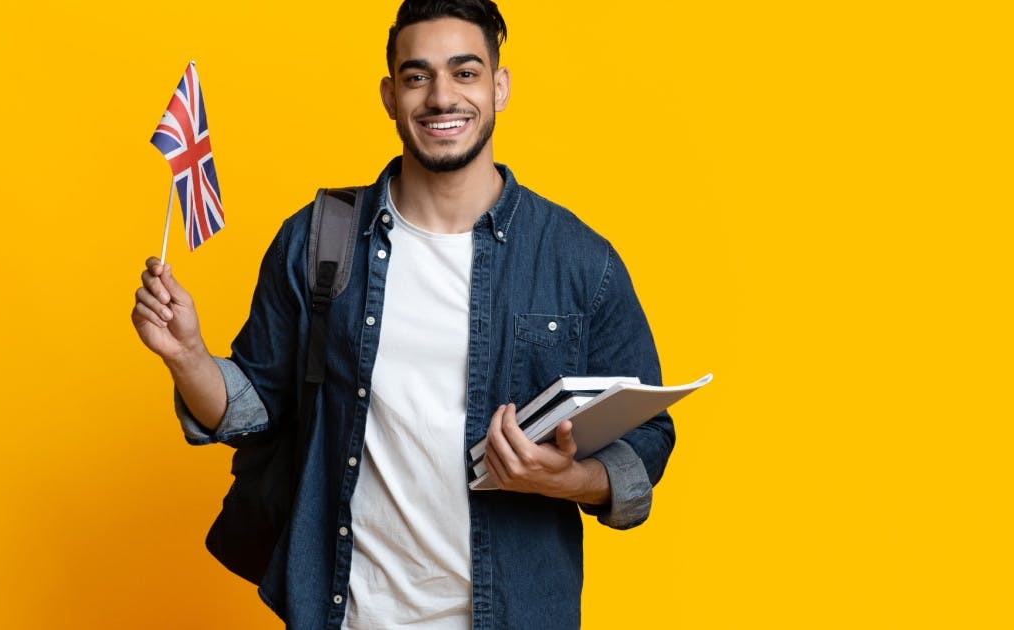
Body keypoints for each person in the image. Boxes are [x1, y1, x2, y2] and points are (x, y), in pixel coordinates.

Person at [131, 1, 675, 627]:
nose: (442, 97)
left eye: (465, 73)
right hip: (347, 613)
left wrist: (569, 480)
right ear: (390, 96)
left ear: (499, 86)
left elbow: (648, 439)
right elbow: (254, 409)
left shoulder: (579, 261)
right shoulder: (318, 239)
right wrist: (188, 357)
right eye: (418, 77)